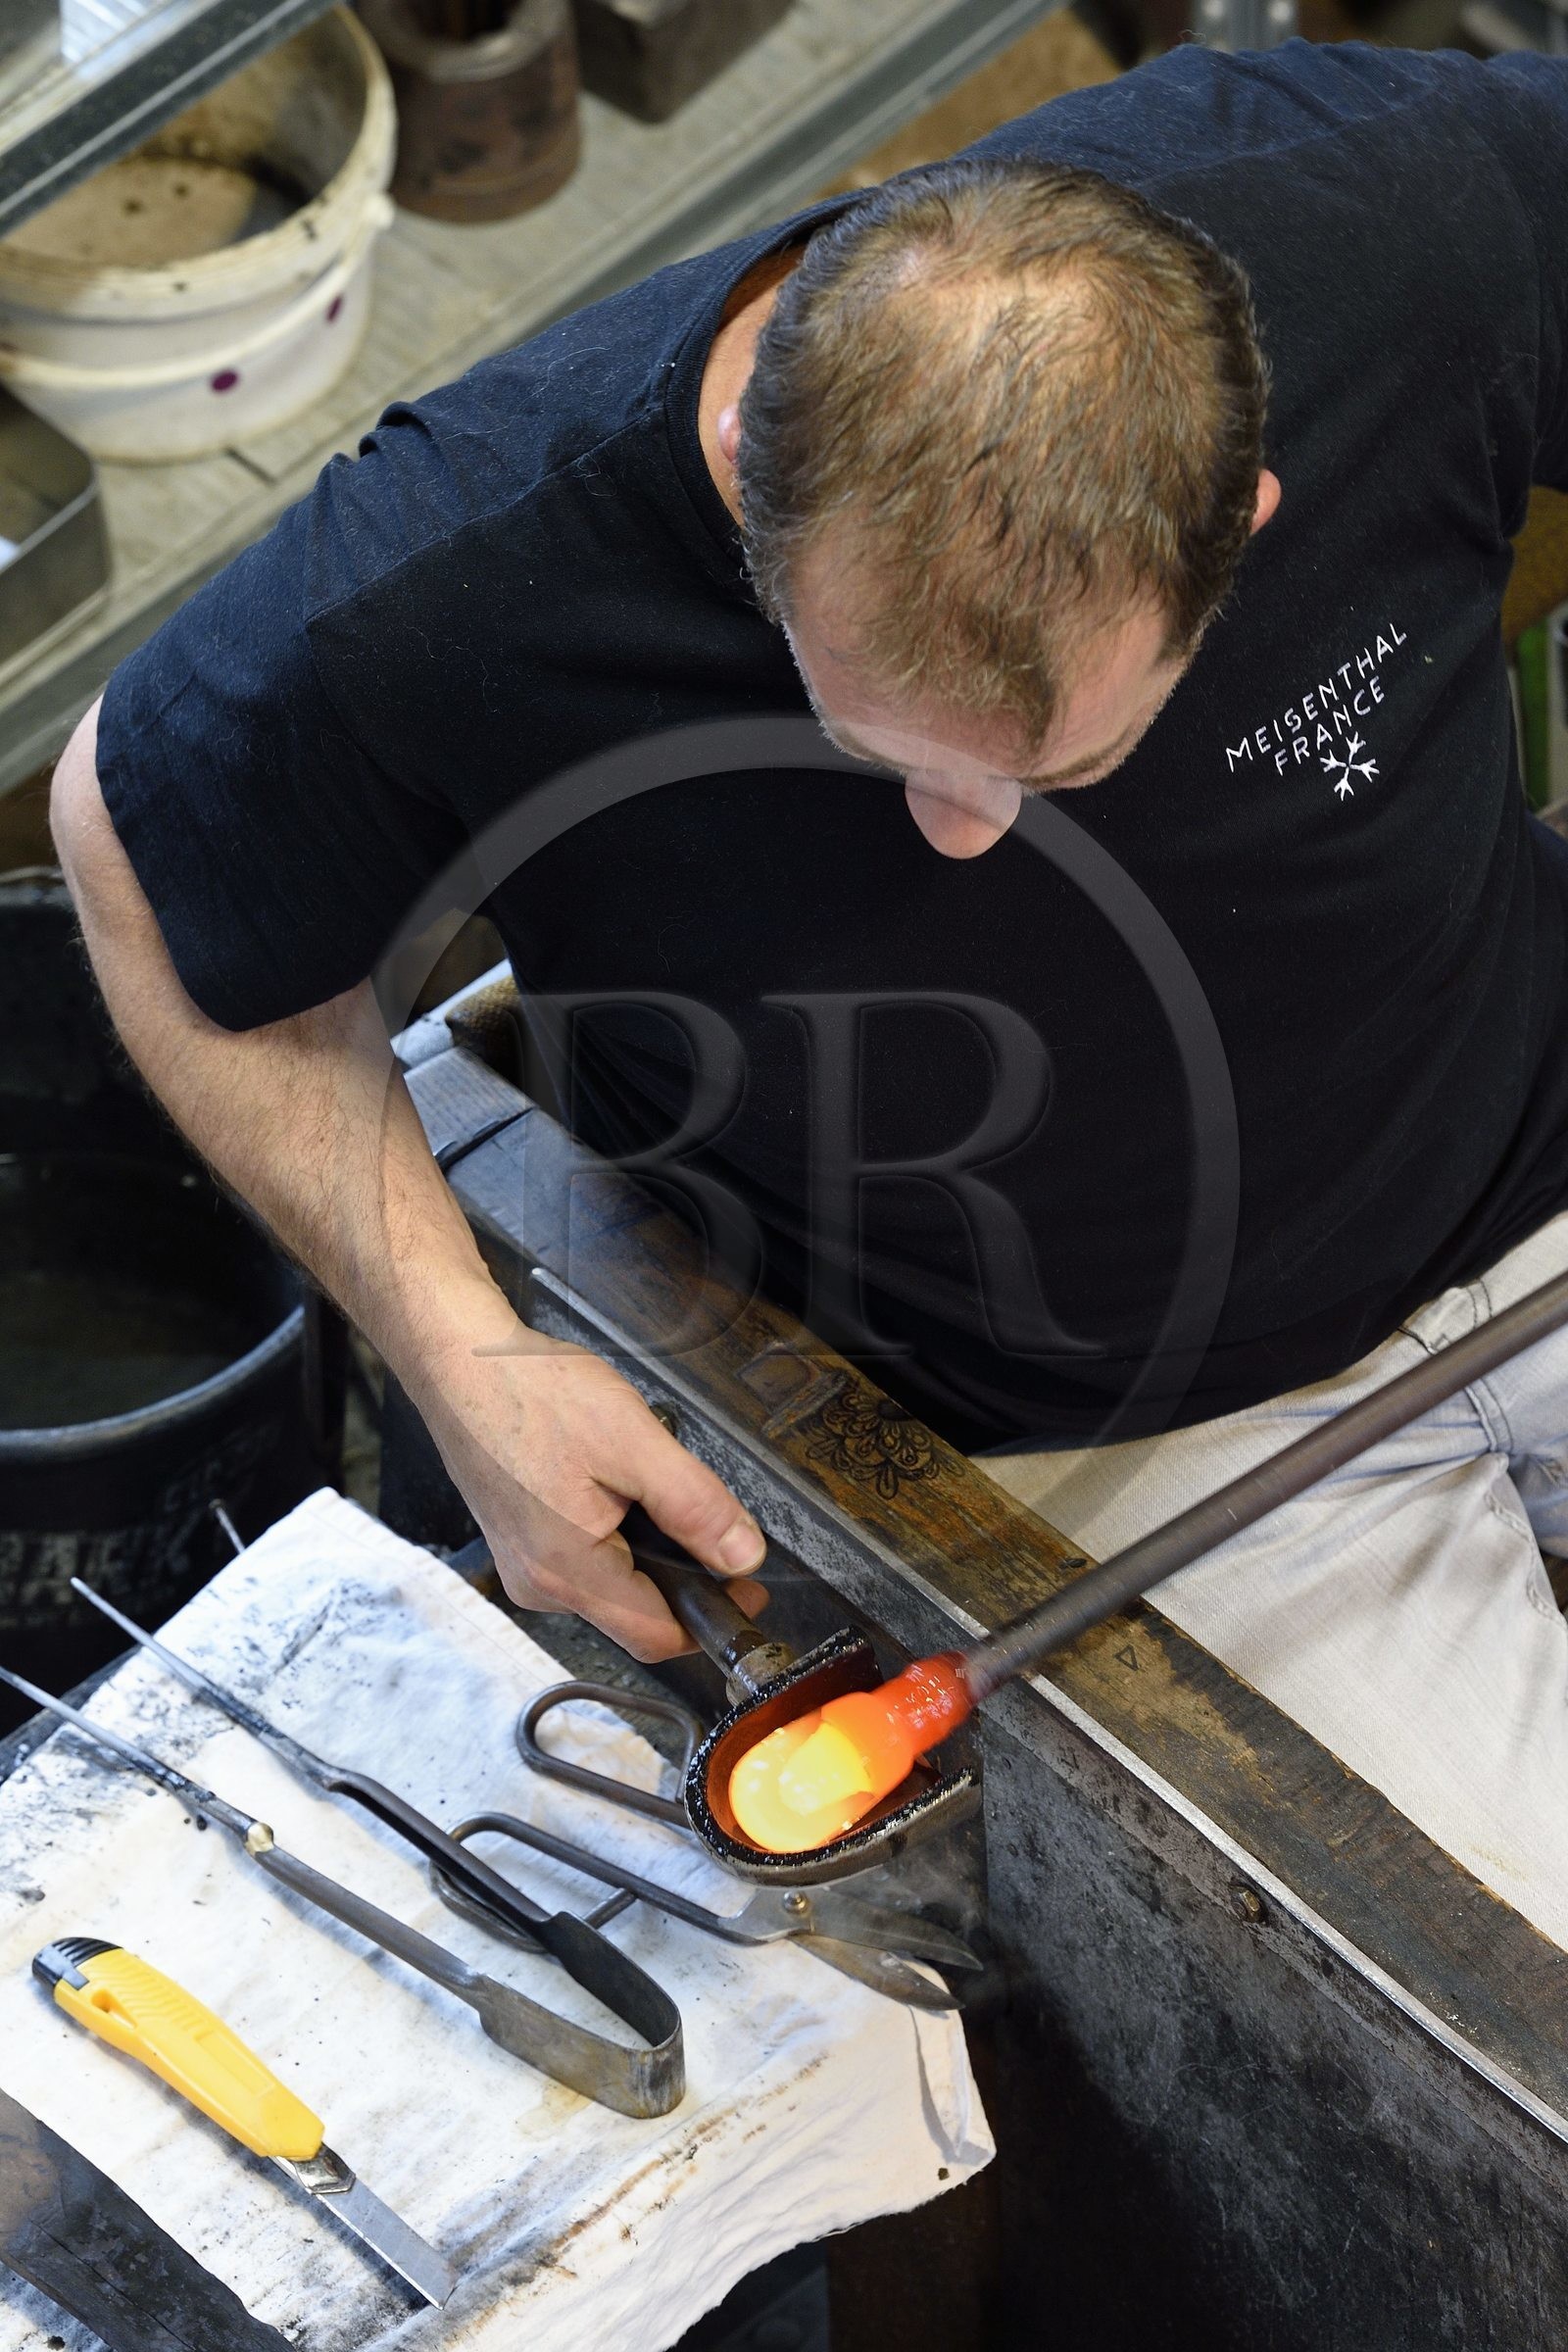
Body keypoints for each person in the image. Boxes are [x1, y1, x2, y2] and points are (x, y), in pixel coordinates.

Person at [51, 40, 1568, 1939]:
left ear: (1238, 517)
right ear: (746, 504)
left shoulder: (1394, 213)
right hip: (1116, 1437)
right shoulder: (465, 577)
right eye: (884, 749)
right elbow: (125, 838)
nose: (962, 834)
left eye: (1053, 768)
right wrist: (458, 1348)